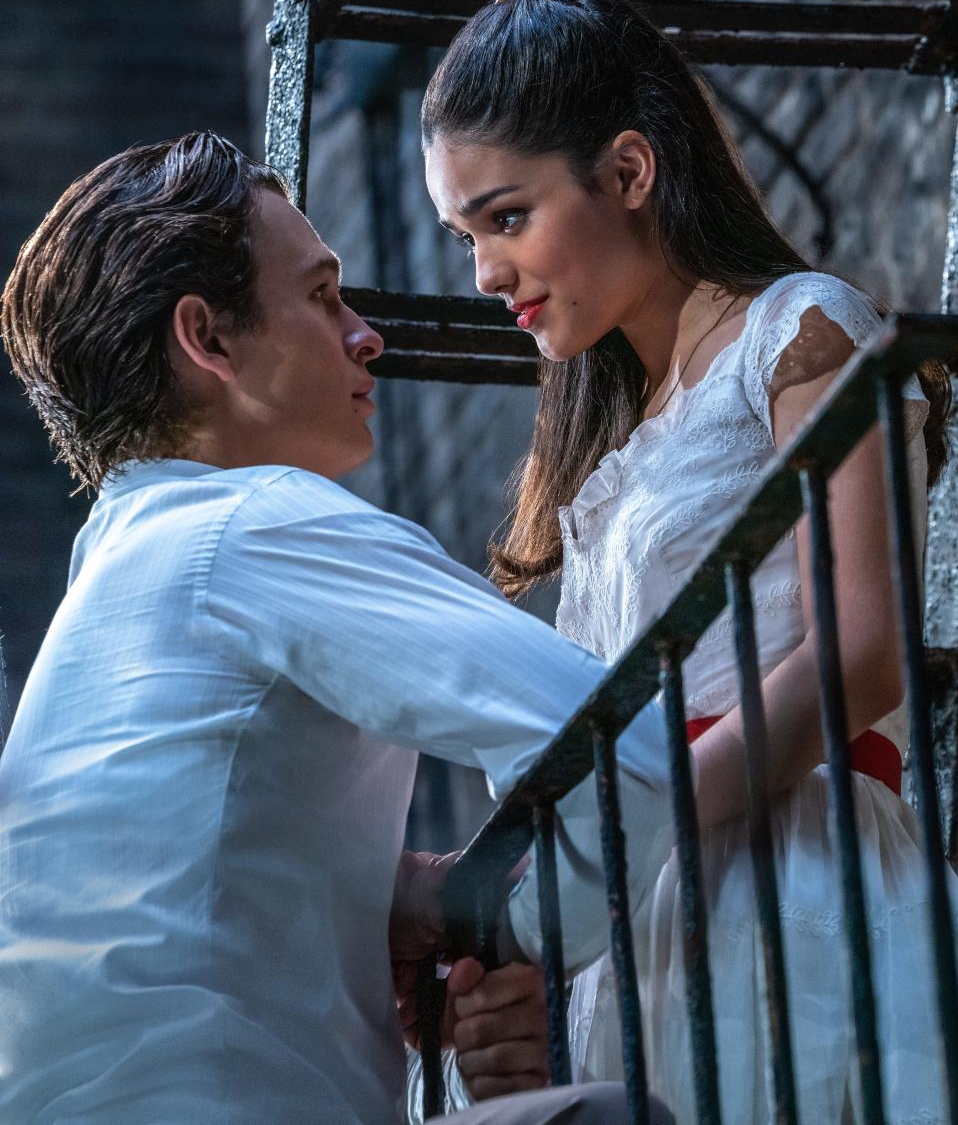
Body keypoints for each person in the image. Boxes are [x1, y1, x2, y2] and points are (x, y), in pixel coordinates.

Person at [0, 131, 675, 1125]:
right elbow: (631, 743)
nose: (368, 335)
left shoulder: (109, 591)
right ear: (209, 340)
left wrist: (379, 894)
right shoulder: (248, 524)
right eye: (321, 297)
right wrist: (500, 925)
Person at [421, 0, 958, 1123]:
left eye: (507, 217)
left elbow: (863, 649)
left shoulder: (800, 330)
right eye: (464, 233)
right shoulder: (615, 439)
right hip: (648, 934)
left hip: (796, 886)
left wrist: (607, 844)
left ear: (627, 171)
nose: (483, 273)